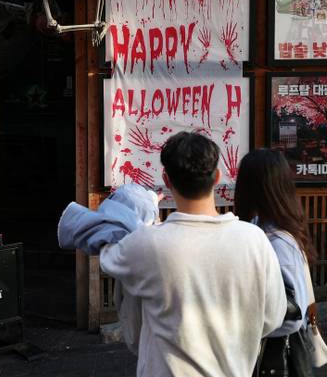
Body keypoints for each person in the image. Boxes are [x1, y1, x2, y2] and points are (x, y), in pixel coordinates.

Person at [100, 131, 287, 377]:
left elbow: (107, 256)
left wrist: (143, 215)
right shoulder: (255, 239)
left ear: (166, 180)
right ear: (217, 177)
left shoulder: (146, 243)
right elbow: (273, 318)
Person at [235, 149, 318, 377]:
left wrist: (243, 326)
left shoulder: (279, 240)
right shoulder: (262, 224)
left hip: (274, 357)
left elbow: (292, 317)